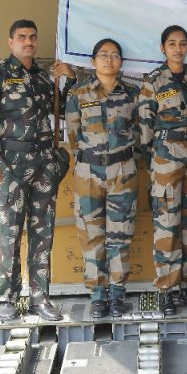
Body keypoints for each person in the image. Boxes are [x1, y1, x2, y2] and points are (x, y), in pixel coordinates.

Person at [0, 19, 75, 323]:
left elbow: (64, 107)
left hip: (44, 163)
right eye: (22, 37)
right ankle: (7, 298)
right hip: (11, 164)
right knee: (10, 233)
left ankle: (40, 298)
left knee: (42, 233)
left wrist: (68, 80)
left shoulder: (44, 78)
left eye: (33, 37)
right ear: (11, 42)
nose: (28, 42)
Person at [64, 38, 139, 318]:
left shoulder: (133, 94)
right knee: (91, 234)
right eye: (104, 55)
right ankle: (97, 294)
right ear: (93, 61)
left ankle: (117, 293)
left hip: (123, 171)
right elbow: (73, 137)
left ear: (121, 62)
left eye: (115, 55)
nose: (109, 60)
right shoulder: (78, 94)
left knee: (120, 235)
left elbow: (140, 134)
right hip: (88, 172)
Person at [138, 25, 187, 316]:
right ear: (162, 48)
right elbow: (144, 125)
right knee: (167, 221)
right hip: (166, 157)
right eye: (172, 44)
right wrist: (152, 158)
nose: (177, 49)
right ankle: (166, 288)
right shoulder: (153, 81)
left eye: (182, 44)